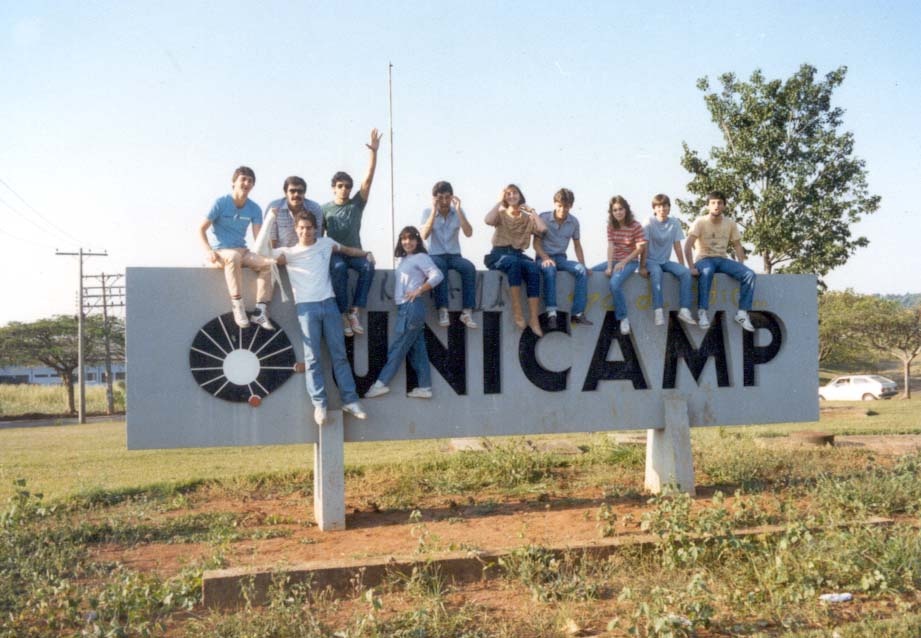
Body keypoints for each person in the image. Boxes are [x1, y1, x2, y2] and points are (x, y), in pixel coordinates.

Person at [273, 212, 369, 425]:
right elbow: (261, 256)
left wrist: (367, 253)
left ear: (316, 228)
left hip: (329, 304)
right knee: (312, 358)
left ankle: (350, 400)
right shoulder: (287, 252)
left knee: (340, 355)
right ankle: (320, 405)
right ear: (296, 229)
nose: (305, 232)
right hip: (306, 308)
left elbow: (347, 250)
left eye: (309, 228)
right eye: (302, 228)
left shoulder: (326, 243)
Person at [364, 227, 444, 400]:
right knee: (418, 350)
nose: (407, 242)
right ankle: (425, 387)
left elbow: (438, 275)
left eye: (411, 239)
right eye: (403, 239)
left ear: (417, 241)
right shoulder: (406, 259)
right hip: (407, 308)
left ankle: (381, 383)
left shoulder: (421, 257)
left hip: (412, 307)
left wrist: (419, 290)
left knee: (399, 347)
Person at [198, 166, 276, 329]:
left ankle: (260, 312)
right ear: (234, 182)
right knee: (233, 257)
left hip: (242, 251)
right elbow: (200, 229)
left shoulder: (254, 208)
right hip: (221, 252)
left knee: (268, 264)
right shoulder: (221, 202)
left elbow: (258, 239)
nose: (246, 183)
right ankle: (237, 306)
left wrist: (270, 221)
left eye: (250, 181)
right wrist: (208, 251)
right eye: (243, 179)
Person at [323, 129, 382, 337]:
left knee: (368, 266)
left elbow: (368, 181)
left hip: (356, 252)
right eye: (341, 186)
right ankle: (342, 312)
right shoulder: (324, 209)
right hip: (336, 255)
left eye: (348, 186)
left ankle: (354, 311)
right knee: (338, 269)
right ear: (333, 188)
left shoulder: (356, 204)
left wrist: (373, 153)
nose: (345, 189)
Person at [683, 191, 756, 332]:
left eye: (719, 203)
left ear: (724, 206)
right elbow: (687, 245)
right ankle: (702, 312)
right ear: (708, 205)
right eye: (713, 203)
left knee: (749, 274)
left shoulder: (730, 223)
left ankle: (742, 313)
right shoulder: (700, 222)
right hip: (704, 259)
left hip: (722, 259)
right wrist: (691, 267)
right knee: (707, 271)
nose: (716, 206)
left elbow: (737, 245)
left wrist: (741, 265)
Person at [484, 184, 548, 337]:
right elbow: (487, 220)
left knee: (532, 268)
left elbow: (543, 229)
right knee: (514, 262)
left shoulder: (527, 218)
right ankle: (517, 310)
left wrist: (532, 211)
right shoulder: (501, 214)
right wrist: (500, 200)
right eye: (508, 194)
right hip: (500, 254)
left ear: (520, 196)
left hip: (518, 254)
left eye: (515, 193)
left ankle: (533, 319)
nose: (512, 196)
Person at [420, 181, 478, 329]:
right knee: (439, 268)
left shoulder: (458, 211)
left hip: (454, 255)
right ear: (434, 198)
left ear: (452, 197)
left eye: (447, 197)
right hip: (435, 254)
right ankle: (443, 310)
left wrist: (458, 211)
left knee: (469, 268)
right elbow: (424, 235)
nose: (444, 202)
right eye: (440, 198)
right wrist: (434, 211)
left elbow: (469, 233)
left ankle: (467, 311)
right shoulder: (427, 212)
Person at [534, 188, 592, 329]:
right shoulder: (543, 218)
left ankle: (577, 313)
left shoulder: (574, 222)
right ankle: (552, 313)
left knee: (581, 270)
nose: (562, 209)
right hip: (543, 257)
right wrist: (546, 258)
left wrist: (583, 264)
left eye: (566, 206)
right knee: (550, 269)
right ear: (555, 204)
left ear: (570, 206)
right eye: (559, 205)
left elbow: (577, 245)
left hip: (561, 257)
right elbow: (536, 244)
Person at [638, 194, 696, 327]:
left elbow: (677, 246)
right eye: (658, 206)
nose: (662, 209)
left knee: (685, 273)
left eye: (664, 206)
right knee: (656, 273)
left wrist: (682, 266)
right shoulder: (648, 222)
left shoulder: (674, 222)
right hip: (650, 260)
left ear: (669, 208)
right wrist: (642, 266)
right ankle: (658, 310)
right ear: (654, 208)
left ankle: (684, 310)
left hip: (665, 261)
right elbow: (644, 245)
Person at [600, 195, 646, 336]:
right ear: (612, 213)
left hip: (630, 262)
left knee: (614, 283)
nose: (618, 212)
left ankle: (623, 317)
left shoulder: (635, 225)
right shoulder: (611, 226)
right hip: (614, 260)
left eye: (621, 209)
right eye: (615, 210)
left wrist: (623, 262)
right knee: (588, 272)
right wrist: (609, 266)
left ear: (626, 209)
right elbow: (611, 246)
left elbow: (640, 248)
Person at [267, 176, 324, 248]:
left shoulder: (314, 208)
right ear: (285, 193)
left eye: (300, 191)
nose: (296, 194)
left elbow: (317, 236)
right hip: (281, 254)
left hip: (306, 253)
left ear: (304, 193)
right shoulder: (274, 207)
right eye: (292, 191)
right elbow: (271, 240)